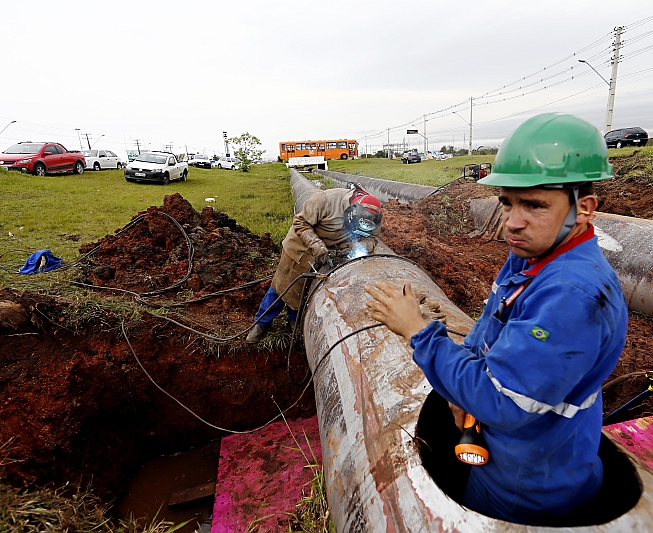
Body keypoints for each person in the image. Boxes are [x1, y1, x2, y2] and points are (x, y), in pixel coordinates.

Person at [365, 113, 628, 525]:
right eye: (507, 202)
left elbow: (504, 404)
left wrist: (419, 331)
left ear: (584, 209)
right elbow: (489, 329)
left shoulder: (571, 296)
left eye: (535, 205)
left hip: (527, 484)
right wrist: (459, 396)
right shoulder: (531, 255)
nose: (513, 221)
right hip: (511, 455)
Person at [247, 185, 383, 343]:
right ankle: (261, 323)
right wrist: (317, 246)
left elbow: (372, 238)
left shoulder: (373, 215)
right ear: (351, 212)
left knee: (304, 291)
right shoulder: (326, 200)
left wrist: (358, 248)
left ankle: (294, 320)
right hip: (301, 248)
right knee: (283, 287)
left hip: (330, 252)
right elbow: (300, 222)